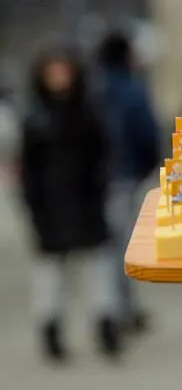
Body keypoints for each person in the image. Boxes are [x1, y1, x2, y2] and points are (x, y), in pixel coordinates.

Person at [19, 45, 122, 362]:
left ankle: (105, 324)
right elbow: (28, 168)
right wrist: (35, 207)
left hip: (85, 201)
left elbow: (102, 156)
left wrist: (99, 192)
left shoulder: (88, 112)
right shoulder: (35, 117)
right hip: (51, 205)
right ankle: (51, 328)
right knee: (51, 276)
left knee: (98, 269)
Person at [95, 30, 160, 335]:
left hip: (96, 178)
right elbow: (148, 134)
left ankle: (113, 307)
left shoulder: (92, 89)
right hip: (124, 175)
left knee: (106, 248)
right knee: (124, 247)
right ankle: (119, 309)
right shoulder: (133, 90)